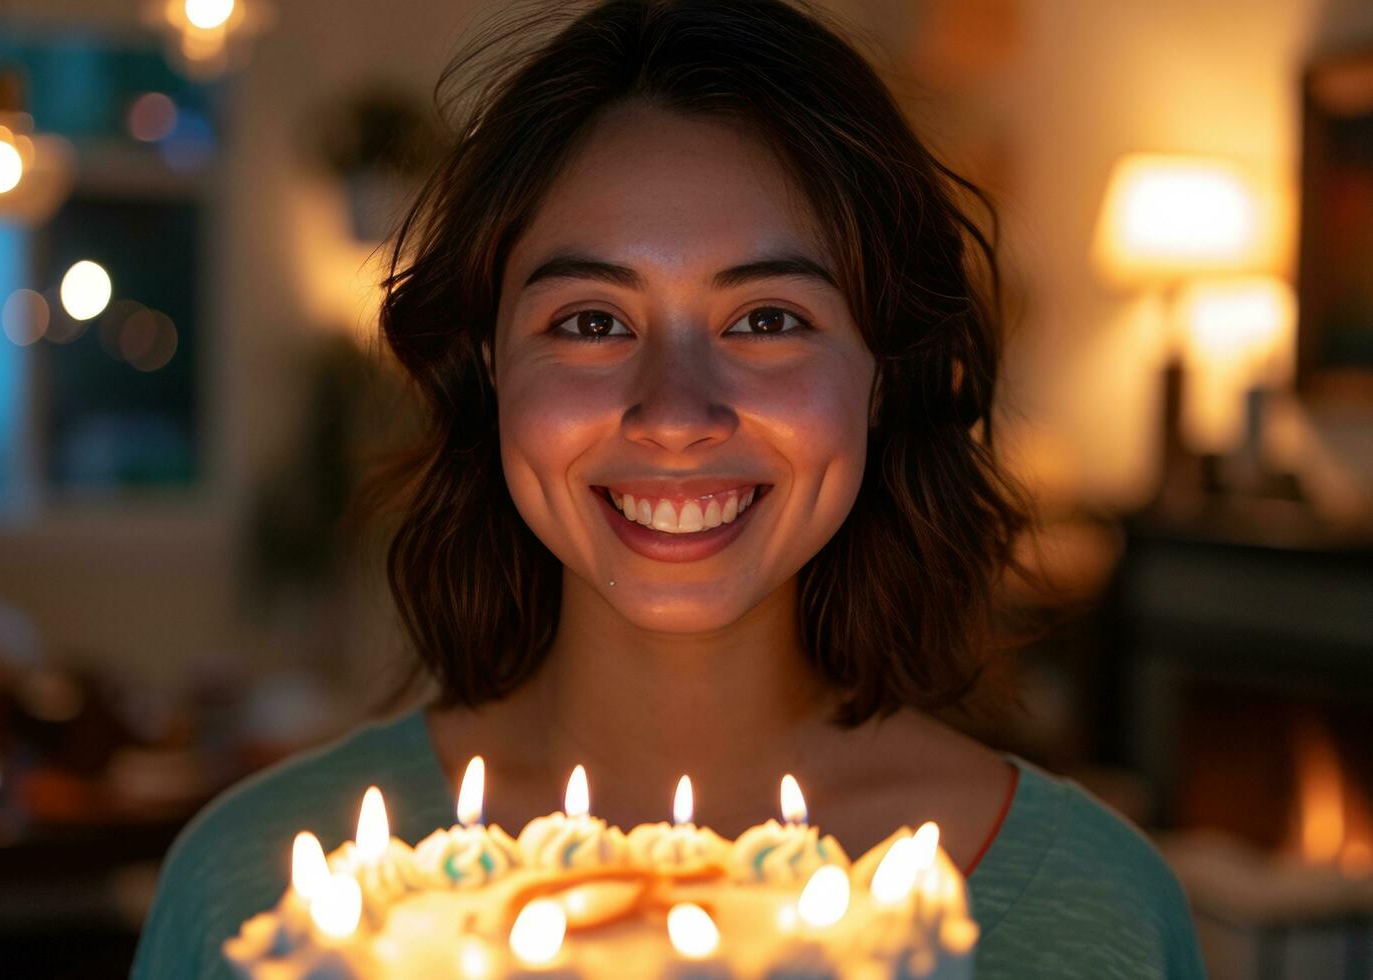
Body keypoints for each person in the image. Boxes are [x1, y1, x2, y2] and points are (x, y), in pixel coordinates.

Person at [133, 1, 1206, 976]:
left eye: (769, 318)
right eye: (592, 321)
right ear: (489, 368)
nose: (676, 412)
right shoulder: (251, 888)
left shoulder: (1101, 912)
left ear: (884, 373)